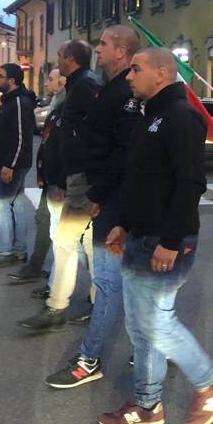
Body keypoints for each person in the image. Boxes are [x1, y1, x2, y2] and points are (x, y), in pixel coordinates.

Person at [100, 47, 213, 424]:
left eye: (136, 69)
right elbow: (142, 179)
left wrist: (171, 241)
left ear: (161, 74)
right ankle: (147, 405)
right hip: (140, 236)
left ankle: (210, 383)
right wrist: (123, 224)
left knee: (156, 325)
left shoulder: (181, 117)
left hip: (165, 239)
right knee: (140, 327)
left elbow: (191, 182)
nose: (128, 76)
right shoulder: (152, 116)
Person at [45, 26, 142, 387]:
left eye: (103, 45)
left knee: (108, 281)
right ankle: (153, 347)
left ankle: (90, 358)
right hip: (109, 195)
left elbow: (122, 151)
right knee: (125, 282)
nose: (97, 50)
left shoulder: (127, 91)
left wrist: (98, 195)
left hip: (113, 200)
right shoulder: (110, 88)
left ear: (122, 51)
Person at [19, 40, 100, 332]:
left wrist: (70, 177)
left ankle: (57, 307)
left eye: (59, 57)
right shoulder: (81, 85)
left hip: (79, 180)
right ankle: (95, 300)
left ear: (69, 59)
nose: (58, 62)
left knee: (67, 242)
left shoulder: (84, 87)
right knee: (88, 244)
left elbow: (84, 138)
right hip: (76, 178)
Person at [10, 68, 66, 285]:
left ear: (62, 83)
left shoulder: (65, 110)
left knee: (65, 236)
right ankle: (43, 271)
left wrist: (59, 180)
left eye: (51, 79)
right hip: (51, 178)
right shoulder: (55, 108)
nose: (46, 83)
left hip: (60, 181)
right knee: (44, 221)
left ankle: (54, 279)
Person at [0, 63, 37, 269]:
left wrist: (9, 165)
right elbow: (1, 133)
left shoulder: (20, 102)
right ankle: (18, 251)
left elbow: (21, 138)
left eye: (0, 76)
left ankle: (7, 251)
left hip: (14, 164)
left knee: (2, 205)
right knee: (15, 205)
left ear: (11, 81)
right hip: (7, 163)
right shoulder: (8, 100)